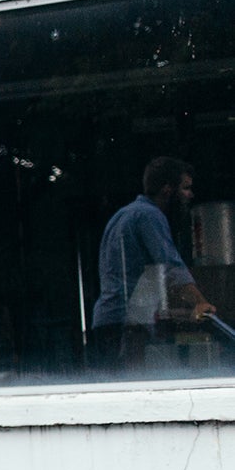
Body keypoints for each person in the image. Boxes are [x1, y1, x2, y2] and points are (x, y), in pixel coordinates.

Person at [92, 156, 214, 370]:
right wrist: (200, 302)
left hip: (107, 319)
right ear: (168, 190)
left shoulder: (122, 215)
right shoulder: (150, 216)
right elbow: (170, 266)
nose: (190, 195)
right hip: (127, 323)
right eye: (185, 188)